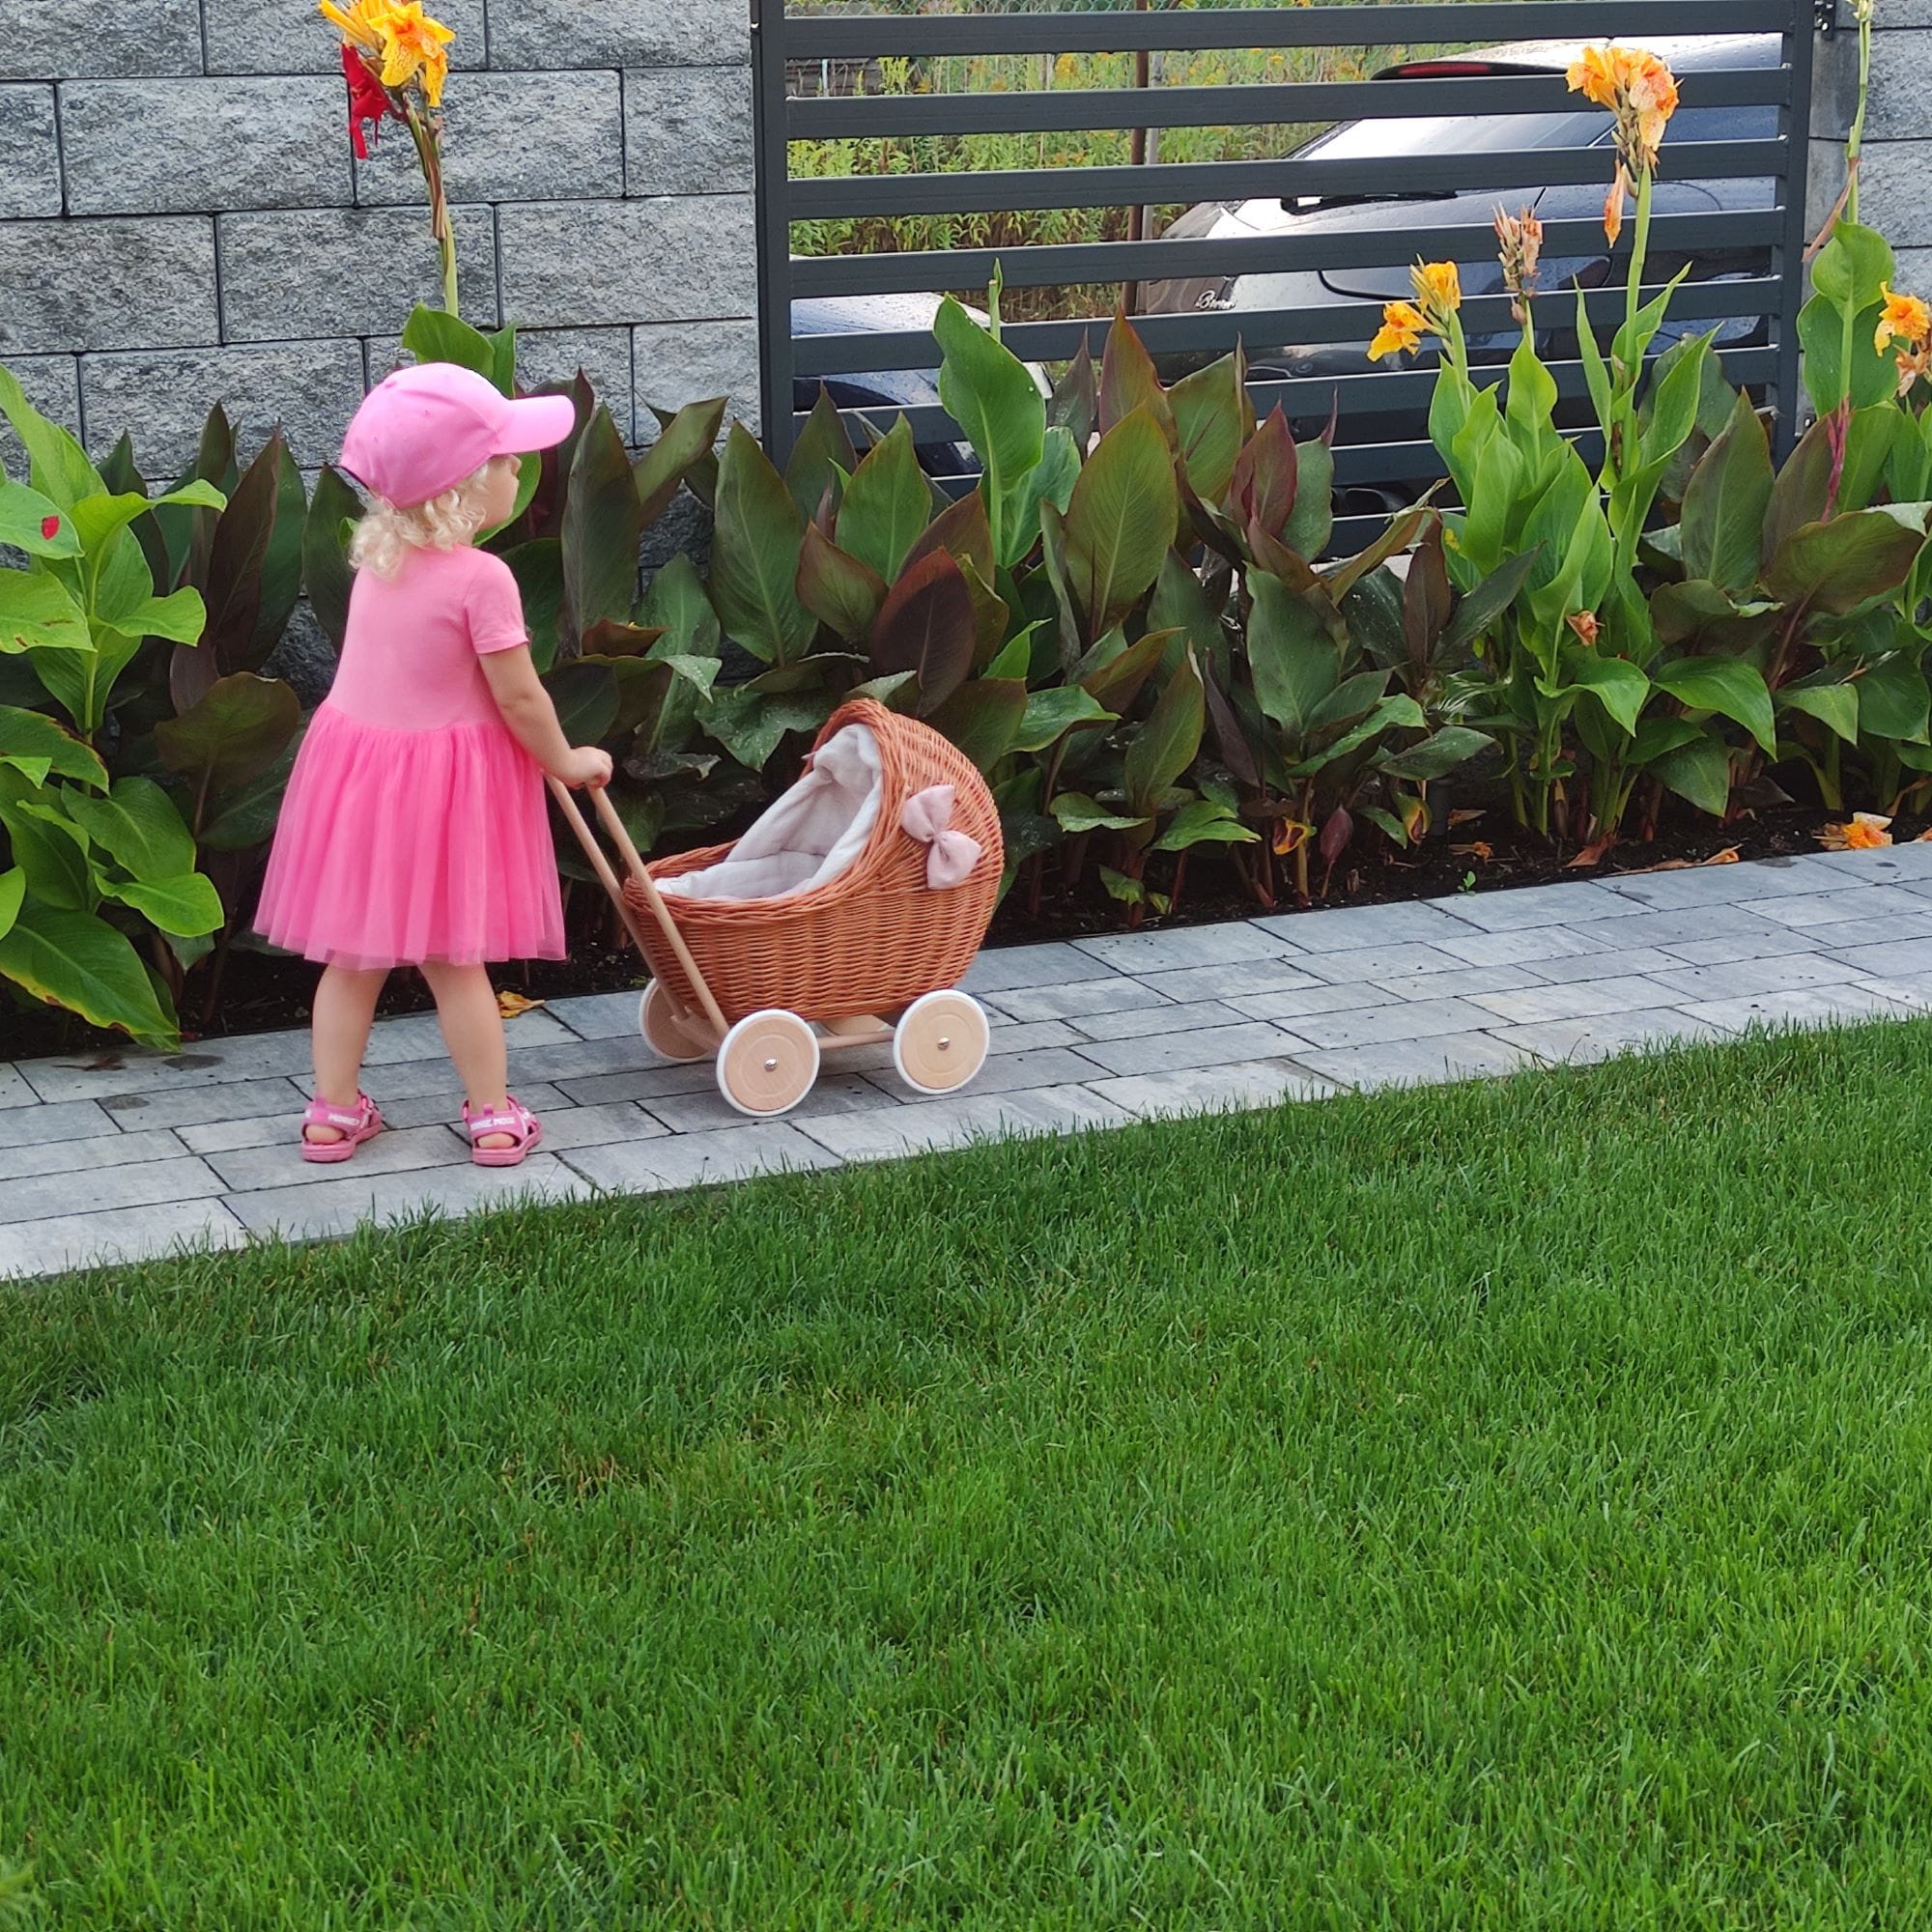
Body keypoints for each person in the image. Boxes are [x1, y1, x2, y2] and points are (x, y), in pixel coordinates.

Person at [255, 363, 613, 1168]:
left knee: (352, 959)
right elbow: (518, 696)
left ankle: (331, 1113)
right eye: (506, 460)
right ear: (463, 486)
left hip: (358, 783)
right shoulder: (484, 579)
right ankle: (492, 1116)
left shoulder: (377, 565)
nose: (518, 470)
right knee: (456, 962)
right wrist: (566, 758)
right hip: (442, 797)